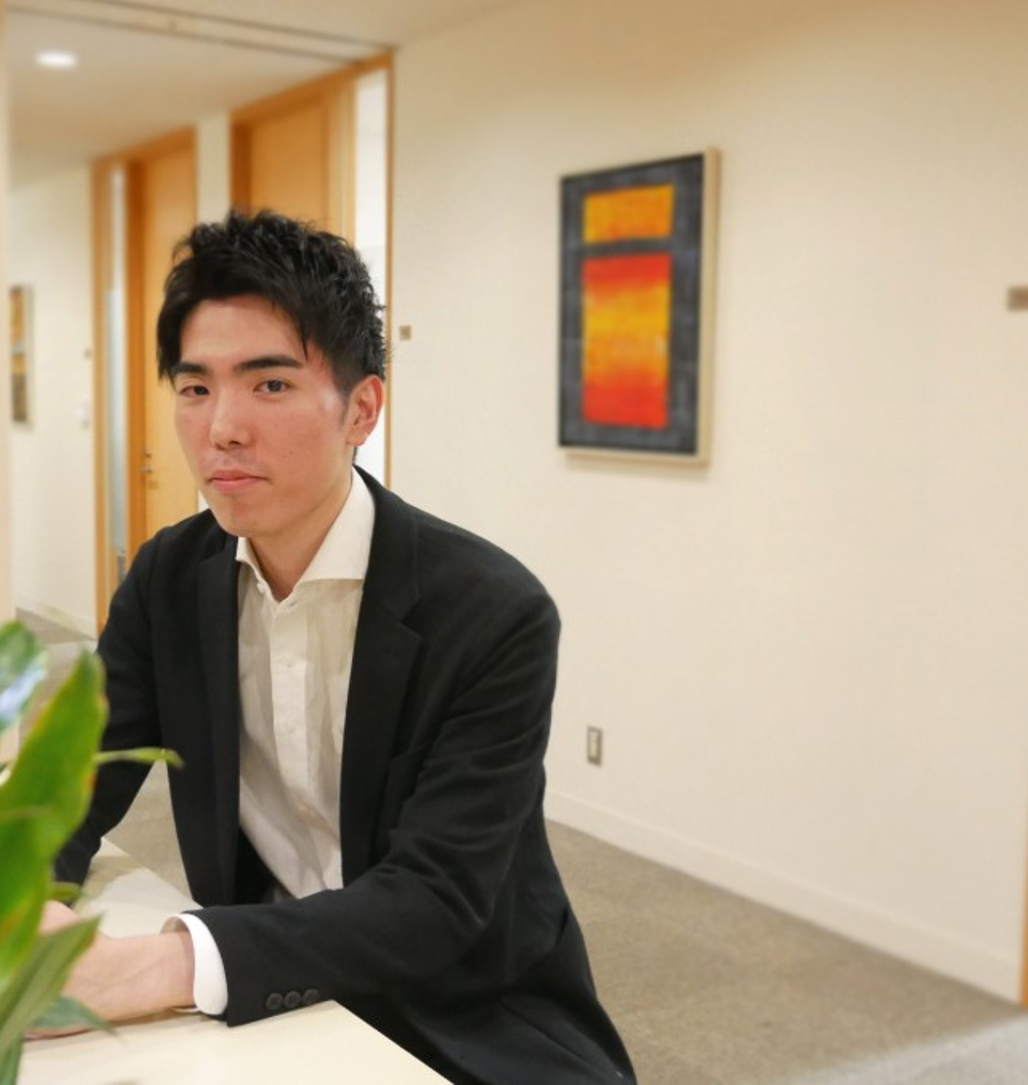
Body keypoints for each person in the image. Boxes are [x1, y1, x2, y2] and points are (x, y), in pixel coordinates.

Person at [47, 209, 635, 1084]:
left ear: (362, 409)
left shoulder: (492, 611)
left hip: (466, 1009)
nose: (222, 428)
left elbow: (435, 899)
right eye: (196, 388)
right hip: (268, 989)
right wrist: (11, 901)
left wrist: (149, 966)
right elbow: (74, 779)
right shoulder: (168, 577)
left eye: (270, 384)